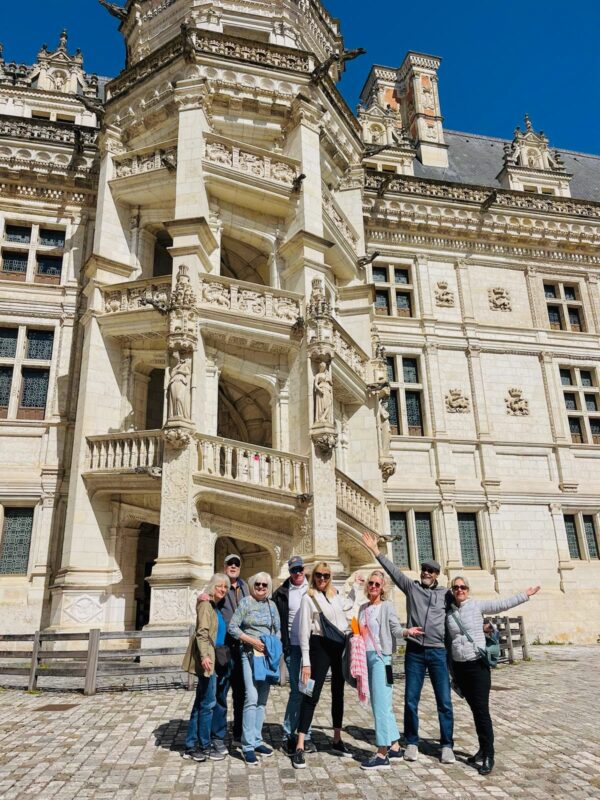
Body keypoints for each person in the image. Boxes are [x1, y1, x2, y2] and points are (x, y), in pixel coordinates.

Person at [362, 531, 455, 763]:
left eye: (430, 571)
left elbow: (463, 609)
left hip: (437, 651)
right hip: (414, 652)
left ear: (436, 575)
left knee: (443, 700)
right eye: (423, 569)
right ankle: (411, 742)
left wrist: (483, 626)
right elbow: (393, 572)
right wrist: (376, 551)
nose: (425, 573)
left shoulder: (446, 594)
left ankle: (446, 745)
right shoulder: (412, 588)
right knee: (410, 699)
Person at [447, 576, 540, 775]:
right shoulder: (449, 612)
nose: (460, 590)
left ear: (468, 589)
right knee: (474, 710)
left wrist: (525, 595)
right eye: (456, 587)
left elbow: (501, 604)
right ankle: (482, 749)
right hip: (460, 667)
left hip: (477, 666)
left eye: (463, 587)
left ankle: (489, 754)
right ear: (452, 591)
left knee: (482, 711)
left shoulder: (477, 605)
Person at [357, 568, 423, 770]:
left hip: (381, 659)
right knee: (382, 703)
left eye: (377, 584)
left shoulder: (386, 607)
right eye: (371, 583)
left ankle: (382, 753)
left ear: (382, 587)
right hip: (365, 658)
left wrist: (406, 631)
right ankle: (394, 746)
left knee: (380, 705)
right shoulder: (362, 608)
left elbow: (394, 628)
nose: (374, 586)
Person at [292, 562, 351, 770]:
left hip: (339, 646)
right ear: (313, 576)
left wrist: (354, 588)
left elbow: (347, 614)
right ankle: (299, 745)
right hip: (319, 646)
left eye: (326, 575)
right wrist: (306, 662)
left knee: (338, 692)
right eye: (318, 575)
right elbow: (303, 632)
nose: (322, 579)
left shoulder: (336, 595)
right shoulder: (308, 598)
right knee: (310, 694)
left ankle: (336, 739)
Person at [228, 571, 281, 765]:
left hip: (266, 656)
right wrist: (253, 641)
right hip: (249, 654)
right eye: (257, 584)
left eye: (264, 585)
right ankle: (247, 744)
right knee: (251, 696)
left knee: (262, 699)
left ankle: (257, 739)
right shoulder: (245, 603)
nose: (260, 588)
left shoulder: (272, 605)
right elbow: (233, 628)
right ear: (252, 585)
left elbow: (278, 629)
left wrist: (273, 646)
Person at [182, 573, 231, 762]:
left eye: (225, 587)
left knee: (201, 702)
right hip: (208, 659)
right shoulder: (206, 604)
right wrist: (204, 656)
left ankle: (191, 745)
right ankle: (203, 746)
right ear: (212, 586)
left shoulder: (212, 605)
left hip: (213, 657)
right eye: (219, 586)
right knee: (208, 704)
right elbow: (202, 633)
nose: (223, 590)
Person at [272, 555, 316, 755]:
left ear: (304, 569)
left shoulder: (314, 587)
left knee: (308, 691)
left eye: (300, 569)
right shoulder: (281, 592)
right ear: (289, 571)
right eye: (293, 570)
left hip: (313, 647)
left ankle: (305, 734)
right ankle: (289, 733)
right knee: (296, 692)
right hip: (293, 647)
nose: (297, 573)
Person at [215, 553, 248, 747]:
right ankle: (218, 736)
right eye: (230, 563)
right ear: (224, 565)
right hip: (224, 647)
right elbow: (207, 601)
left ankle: (238, 732)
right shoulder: (220, 586)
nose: (233, 566)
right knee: (221, 692)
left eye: (237, 563)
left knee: (241, 693)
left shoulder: (246, 587)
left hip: (242, 647)